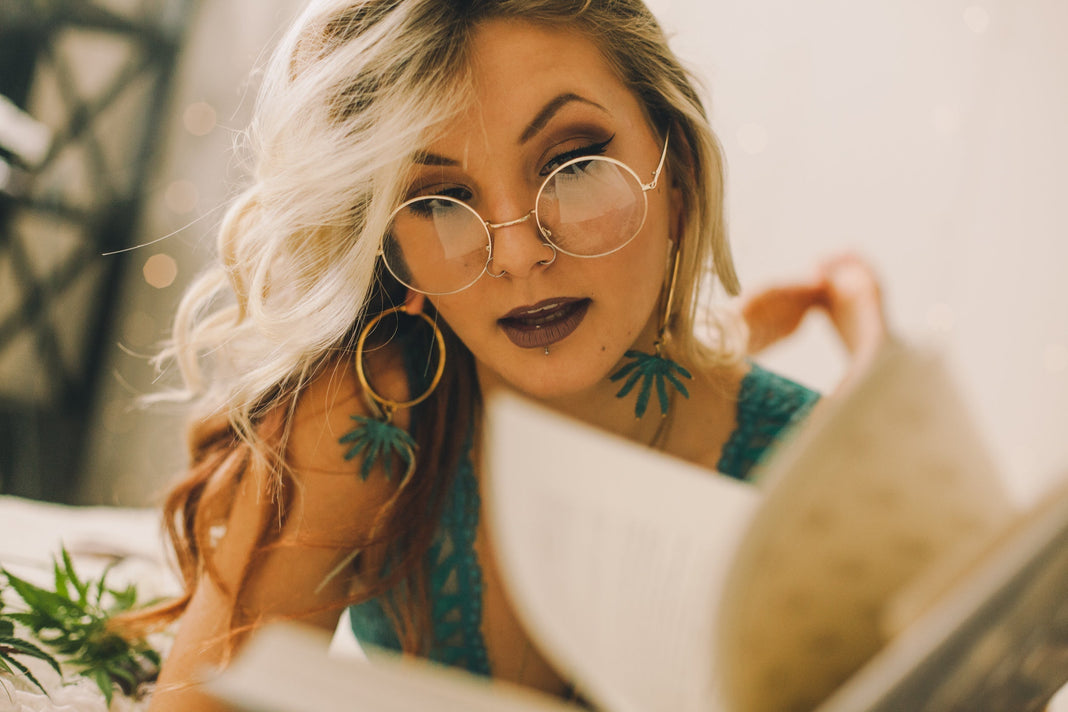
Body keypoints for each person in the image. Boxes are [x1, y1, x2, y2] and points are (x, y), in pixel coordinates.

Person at [142, 1, 887, 709]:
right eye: (439, 199)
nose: (517, 253)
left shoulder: (822, 486)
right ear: (395, 244)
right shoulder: (372, 415)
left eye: (574, 163)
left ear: (679, 174)